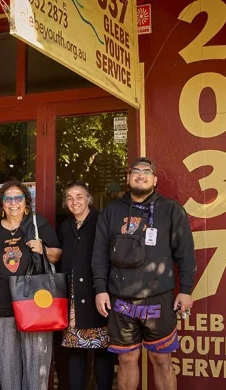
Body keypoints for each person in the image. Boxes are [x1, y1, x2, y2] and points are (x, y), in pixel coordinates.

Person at [92, 157, 197, 390]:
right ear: (128, 177)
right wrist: (100, 290)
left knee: (161, 361)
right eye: (136, 171)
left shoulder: (170, 210)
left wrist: (187, 290)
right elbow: (99, 255)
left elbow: (186, 254)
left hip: (159, 298)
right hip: (120, 300)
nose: (141, 175)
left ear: (155, 179)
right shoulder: (111, 212)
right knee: (126, 359)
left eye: (147, 171)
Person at [0, 180, 62, 390]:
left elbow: (57, 255)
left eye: (18, 198)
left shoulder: (37, 224)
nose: (13, 203)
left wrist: (43, 249)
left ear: (26, 202)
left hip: (35, 305)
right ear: (1, 204)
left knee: (36, 364)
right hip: (2, 304)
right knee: (7, 367)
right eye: (8, 198)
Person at [58, 181, 115, 390]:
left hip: (97, 295)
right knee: (75, 353)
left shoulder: (101, 221)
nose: (75, 201)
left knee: (102, 353)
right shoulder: (66, 226)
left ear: (88, 199)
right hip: (73, 299)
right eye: (70, 198)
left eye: (79, 196)